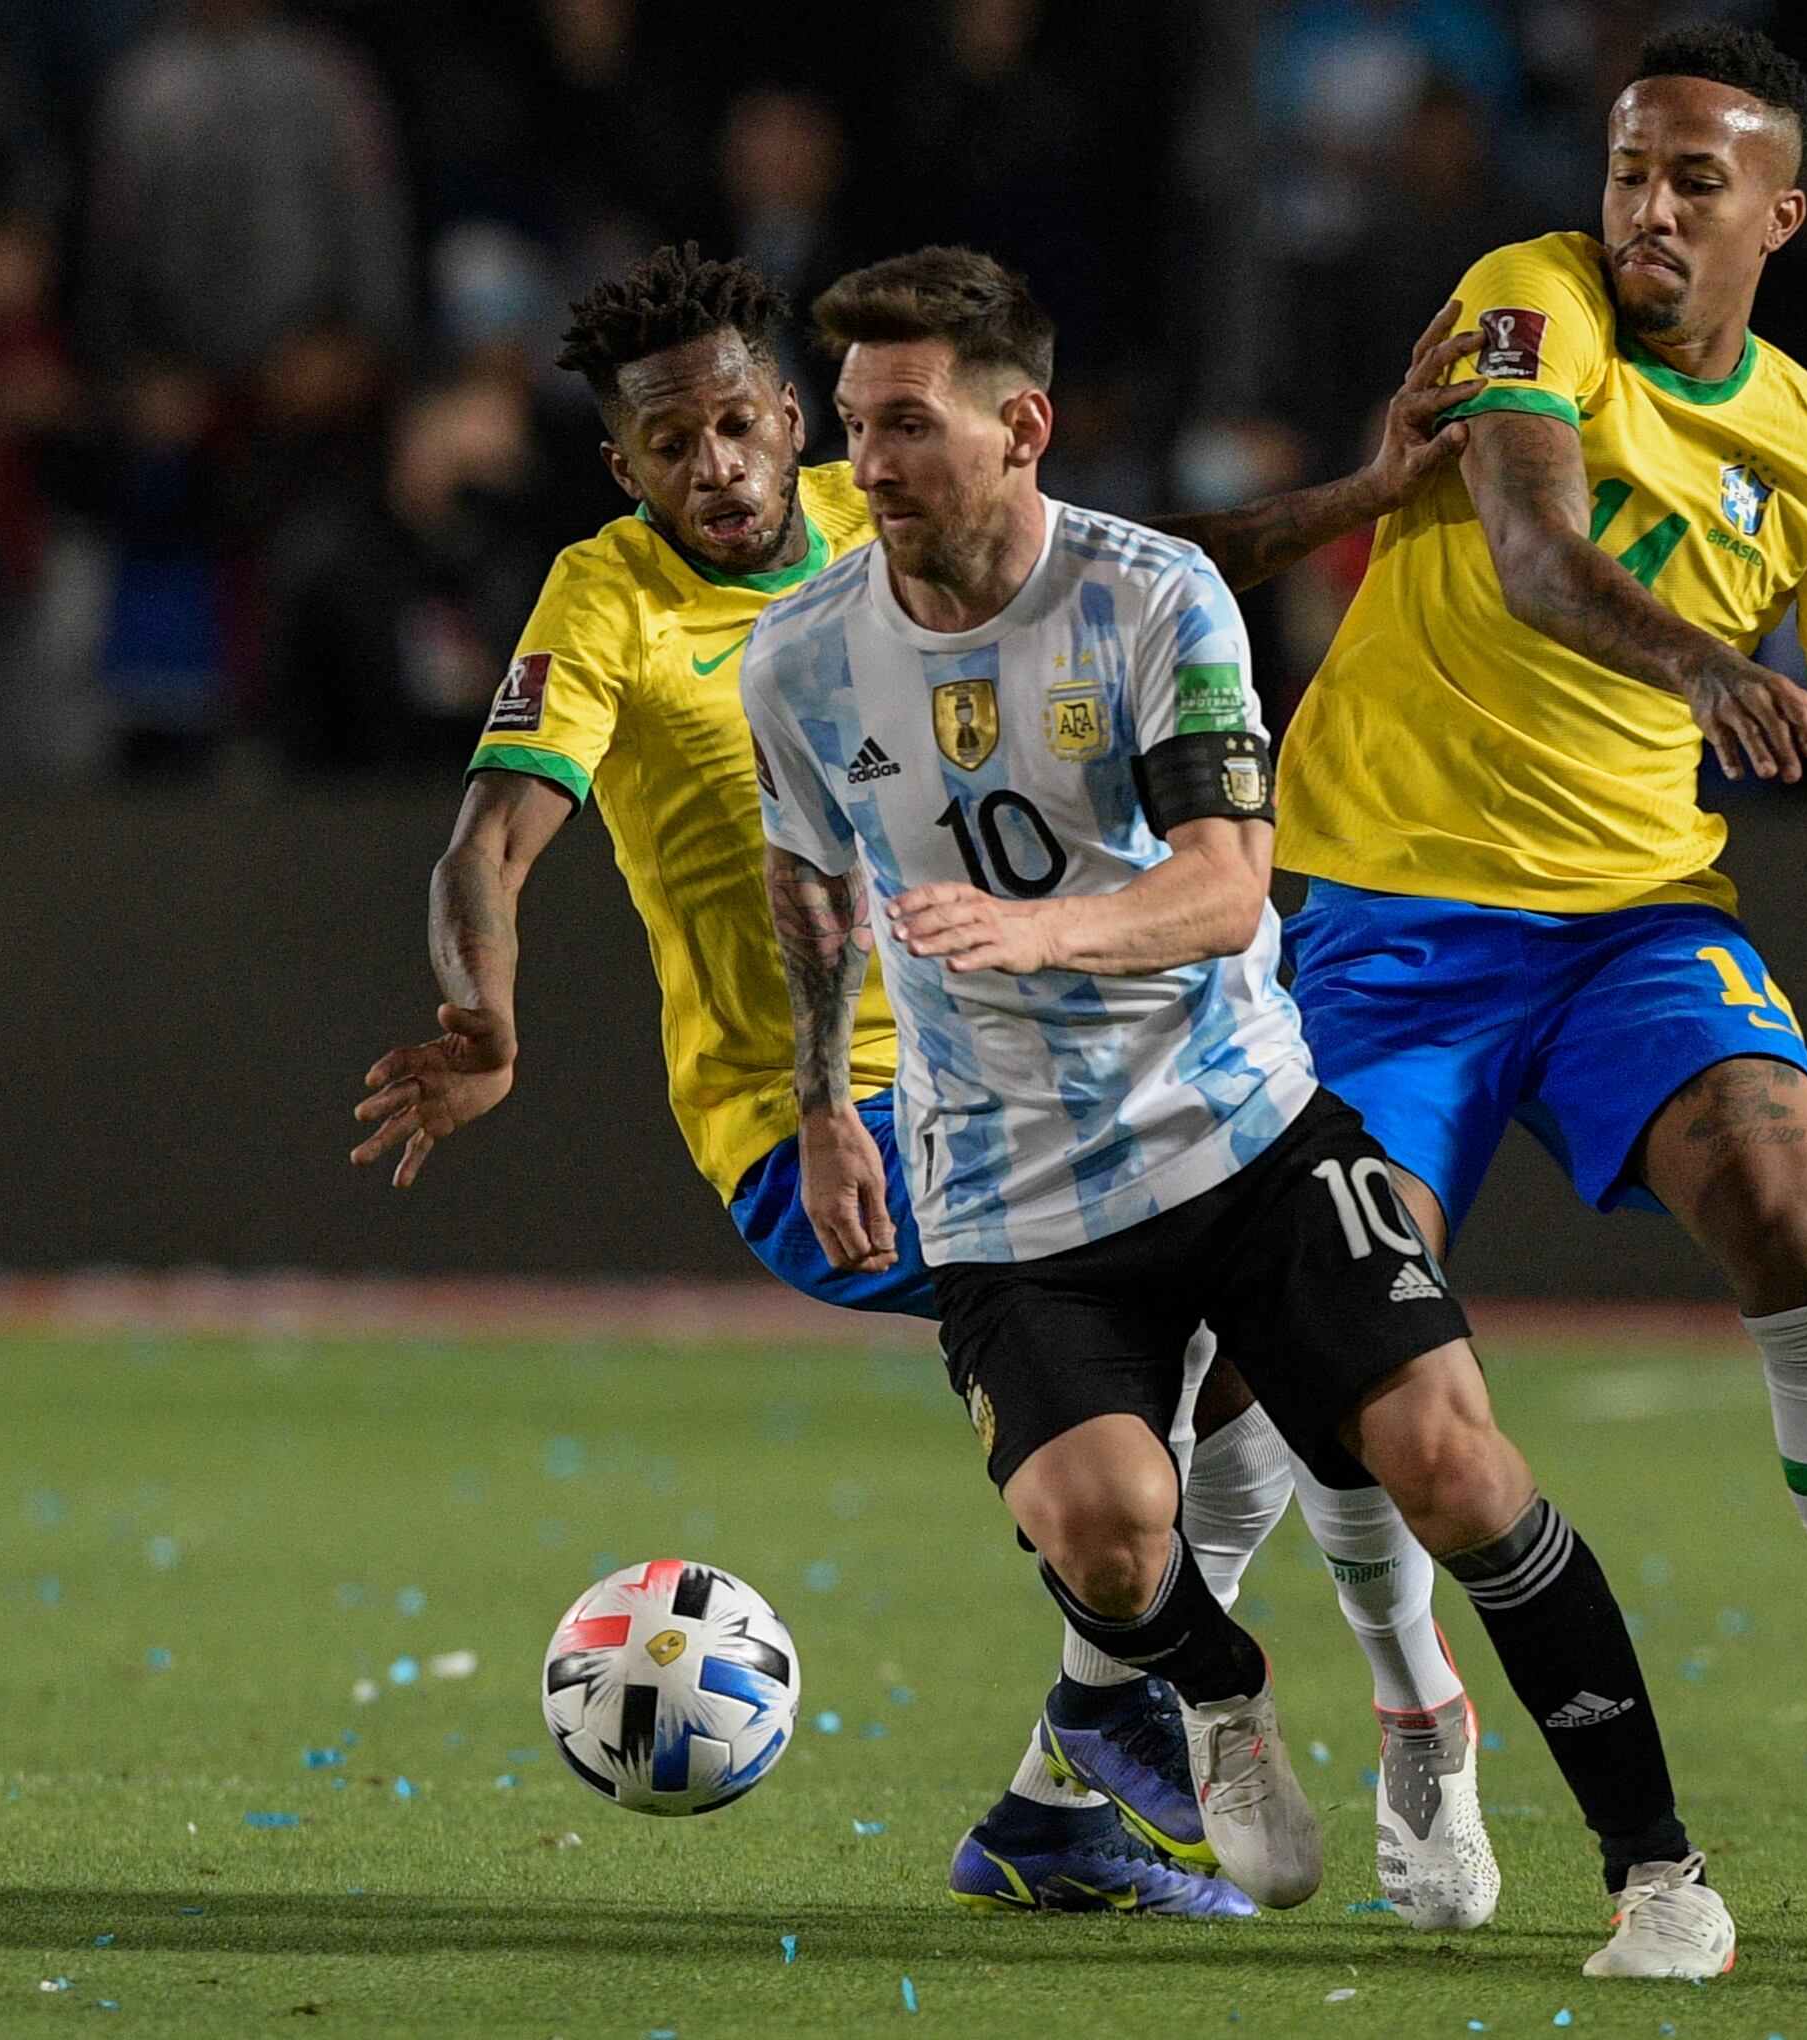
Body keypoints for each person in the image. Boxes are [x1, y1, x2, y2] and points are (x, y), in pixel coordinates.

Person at [350, 245, 1495, 1922]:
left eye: (740, 425)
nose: (717, 468)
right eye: (671, 447)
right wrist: (487, 1018)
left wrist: (1370, 491)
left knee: (1262, 1328)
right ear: (624, 467)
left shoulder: (888, 506)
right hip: (817, 1129)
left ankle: (1081, 1774)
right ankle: (1237, 1708)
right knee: (1237, 1319)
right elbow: (487, 843)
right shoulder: (607, 606)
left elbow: (1150, 570)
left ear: (787, 412)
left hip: (1040, 1072)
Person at [743, 245, 1732, 1979]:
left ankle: (1657, 1874)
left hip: (1243, 1134)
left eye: (906, 425)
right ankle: (1219, 1686)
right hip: (1004, 1192)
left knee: (1450, 1461)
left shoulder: (1152, 601)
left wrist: (1037, 930)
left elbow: (1223, 890)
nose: (867, 466)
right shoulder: (803, 659)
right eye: (851, 427)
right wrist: (828, 1100)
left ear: (1021, 426)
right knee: (1107, 1536)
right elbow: (808, 881)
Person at [1274, 24, 1807, 1898]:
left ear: (1776, 214)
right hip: (1384, 913)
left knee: (1789, 1192)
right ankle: (1416, 1722)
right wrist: (1711, 664)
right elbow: (1536, 550)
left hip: (1632, 920)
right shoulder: (1518, 299)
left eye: (1692, 181)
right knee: (1346, 1353)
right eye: (1629, 170)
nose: (1643, 208)